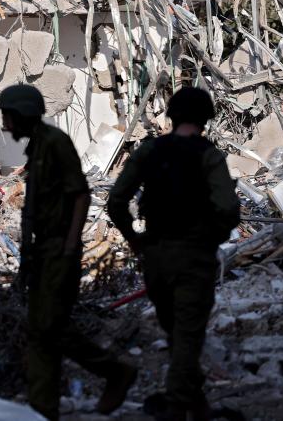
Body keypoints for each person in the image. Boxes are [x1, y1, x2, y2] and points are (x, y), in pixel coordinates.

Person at [0, 84, 136, 420]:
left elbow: (80, 195)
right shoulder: (37, 147)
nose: (6, 125)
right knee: (42, 330)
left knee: (49, 328)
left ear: (22, 115)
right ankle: (44, 407)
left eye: (8, 117)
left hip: (58, 252)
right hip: (41, 254)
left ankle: (113, 373)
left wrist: (70, 246)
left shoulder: (56, 144)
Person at [107, 87, 239, 421]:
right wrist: (211, 240)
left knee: (179, 337)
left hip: (156, 258)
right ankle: (176, 409)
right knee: (187, 339)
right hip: (194, 259)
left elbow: (116, 201)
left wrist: (134, 241)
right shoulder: (208, 156)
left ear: (172, 115)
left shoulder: (149, 151)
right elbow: (228, 210)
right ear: (206, 120)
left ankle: (196, 407)